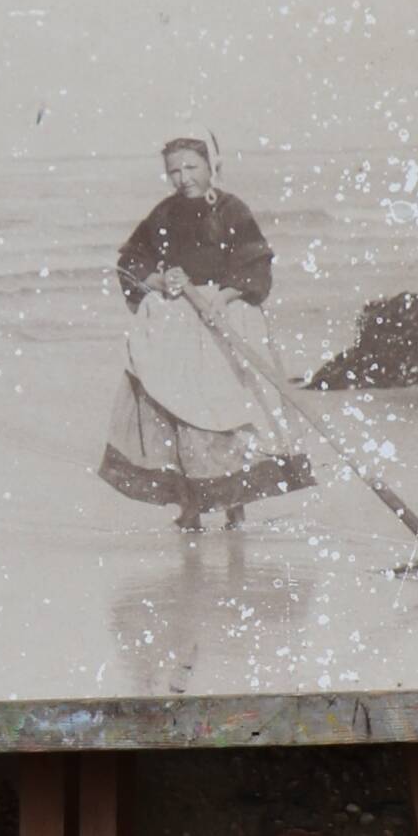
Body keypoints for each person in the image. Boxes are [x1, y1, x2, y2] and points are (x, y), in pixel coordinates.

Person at [99, 135, 314, 536]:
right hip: (179, 323)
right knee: (180, 414)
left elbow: (254, 263)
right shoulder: (163, 213)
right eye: (174, 171)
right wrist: (159, 280)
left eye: (191, 168)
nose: (183, 178)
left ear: (211, 166)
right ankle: (191, 507)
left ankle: (235, 507)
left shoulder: (232, 211)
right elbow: (132, 260)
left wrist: (225, 298)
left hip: (224, 317)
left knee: (227, 411)